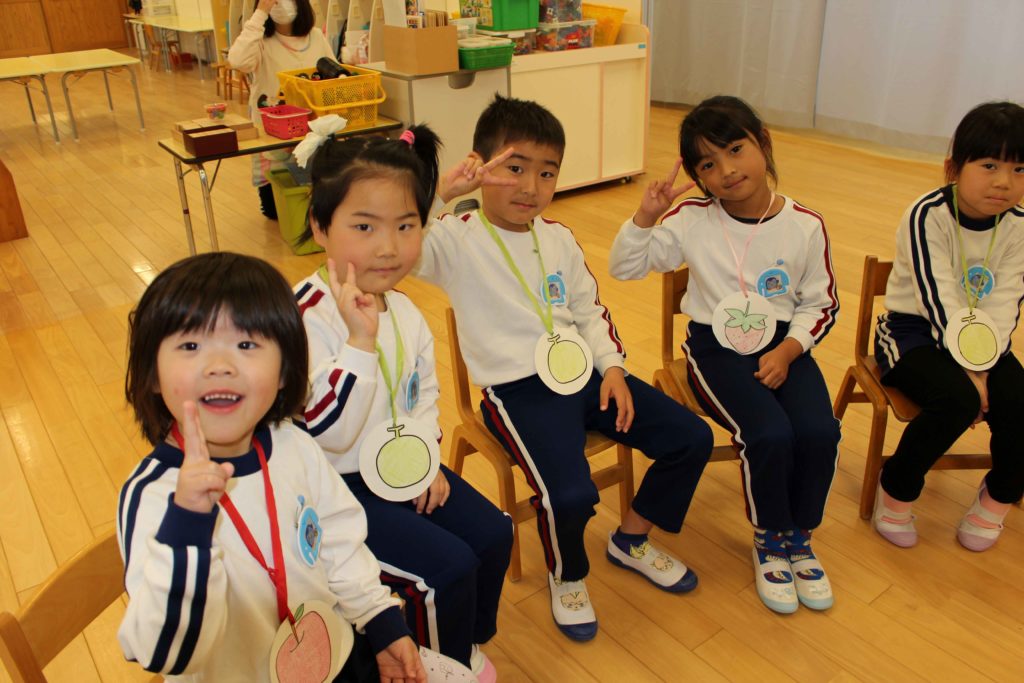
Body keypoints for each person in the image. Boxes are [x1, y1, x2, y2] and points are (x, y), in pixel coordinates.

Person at [418, 95, 714, 642]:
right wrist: (443, 193)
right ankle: (568, 574)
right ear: (481, 165)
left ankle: (631, 538)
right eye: (515, 168)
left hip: (585, 375)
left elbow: (589, 312)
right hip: (516, 392)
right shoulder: (454, 239)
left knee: (690, 437)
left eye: (547, 172)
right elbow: (400, 248)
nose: (531, 187)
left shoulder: (557, 238)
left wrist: (614, 370)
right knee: (570, 495)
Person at [117, 252, 427, 682]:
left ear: (285, 371)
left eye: (247, 345)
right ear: (151, 374)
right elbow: (163, 653)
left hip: (333, 654)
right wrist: (187, 524)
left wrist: (378, 619)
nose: (220, 366)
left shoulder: (292, 444)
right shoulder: (155, 494)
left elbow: (337, 539)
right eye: (190, 346)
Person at [292, 124, 512, 681]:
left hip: (400, 465)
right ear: (320, 225)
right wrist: (358, 345)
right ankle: (432, 664)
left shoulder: (406, 310)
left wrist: (428, 460)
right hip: (334, 488)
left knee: (494, 534)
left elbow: (424, 395)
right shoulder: (299, 319)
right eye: (364, 226)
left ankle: (459, 646)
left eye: (406, 226)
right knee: (445, 570)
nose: (388, 247)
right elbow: (326, 434)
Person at [608, 95, 841, 614]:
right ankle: (770, 537)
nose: (727, 170)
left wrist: (789, 350)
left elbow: (821, 304)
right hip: (715, 346)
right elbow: (625, 267)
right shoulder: (691, 219)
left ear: (763, 142)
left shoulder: (805, 224)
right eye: (708, 164)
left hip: (784, 343)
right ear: (698, 177)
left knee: (819, 430)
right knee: (768, 433)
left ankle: (799, 535)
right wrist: (646, 217)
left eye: (736, 150)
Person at [873, 101, 1024, 552]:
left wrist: (983, 365)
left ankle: (996, 500)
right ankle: (896, 489)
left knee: (1020, 402)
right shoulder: (927, 214)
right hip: (912, 331)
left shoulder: (1019, 226)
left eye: (1019, 170)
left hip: (985, 339)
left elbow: (1006, 301)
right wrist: (970, 373)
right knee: (958, 400)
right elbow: (936, 296)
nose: (1004, 181)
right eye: (990, 165)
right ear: (953, 168)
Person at [228, 0, 335, 219]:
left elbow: (333, 74)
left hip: (313, 131)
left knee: (319, 204)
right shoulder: (260, 41)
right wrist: (260, 14)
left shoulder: (316, 36)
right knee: (276, 210)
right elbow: (237, 60)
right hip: (275, 134)